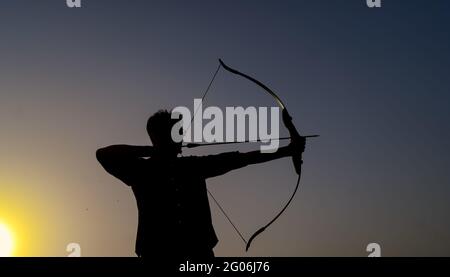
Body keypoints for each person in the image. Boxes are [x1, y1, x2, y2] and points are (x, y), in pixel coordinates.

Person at [96, 110, 305, 259]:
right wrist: (153, 151)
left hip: (199, 255)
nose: (181, 138)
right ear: (158, 137)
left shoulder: (193, 166)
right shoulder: (141, 170)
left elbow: (243, 158)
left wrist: (287, 150)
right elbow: (103, 154)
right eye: (176, 134)